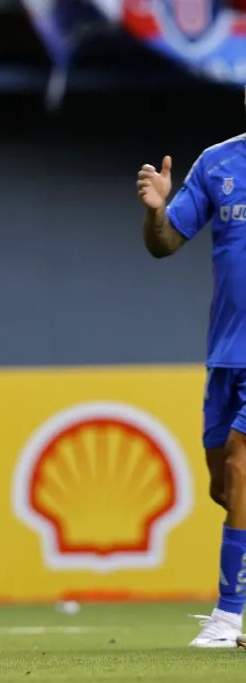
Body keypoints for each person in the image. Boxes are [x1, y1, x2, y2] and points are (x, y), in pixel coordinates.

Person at [137, 134, 246, 648]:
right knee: (223, 488)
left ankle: (228, 616)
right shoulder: (216, 163)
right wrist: (157, 210)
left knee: (242, 469)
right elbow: (165, 242)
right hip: (226, 352)